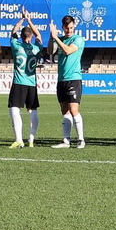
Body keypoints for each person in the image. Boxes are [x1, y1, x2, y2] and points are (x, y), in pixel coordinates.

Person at [4, 11, 43, 149]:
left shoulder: (16, 46)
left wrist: (21, 19)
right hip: (32, 83)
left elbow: (12, 32)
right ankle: (31, 140)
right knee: (33, 111)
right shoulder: (37, 47)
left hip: (19, 82)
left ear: (21, 36)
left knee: (14, 109)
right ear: (30, 36)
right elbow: (39, 35)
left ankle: (19, 139)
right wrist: (30, 21)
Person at [48, 15, 85, 148]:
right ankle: (66, 140)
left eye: (71, 27)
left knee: (73, 109)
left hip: (73, 79)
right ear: (63, 27)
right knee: (64, 111)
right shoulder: (61, 39)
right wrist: (52, 36)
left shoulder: (78, 39)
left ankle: (81, 139)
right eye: (66, 28)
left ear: (74, 25)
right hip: (61, 79)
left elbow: (68, 51)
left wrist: (56, 37)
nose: (69, 30)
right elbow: (50, 51)